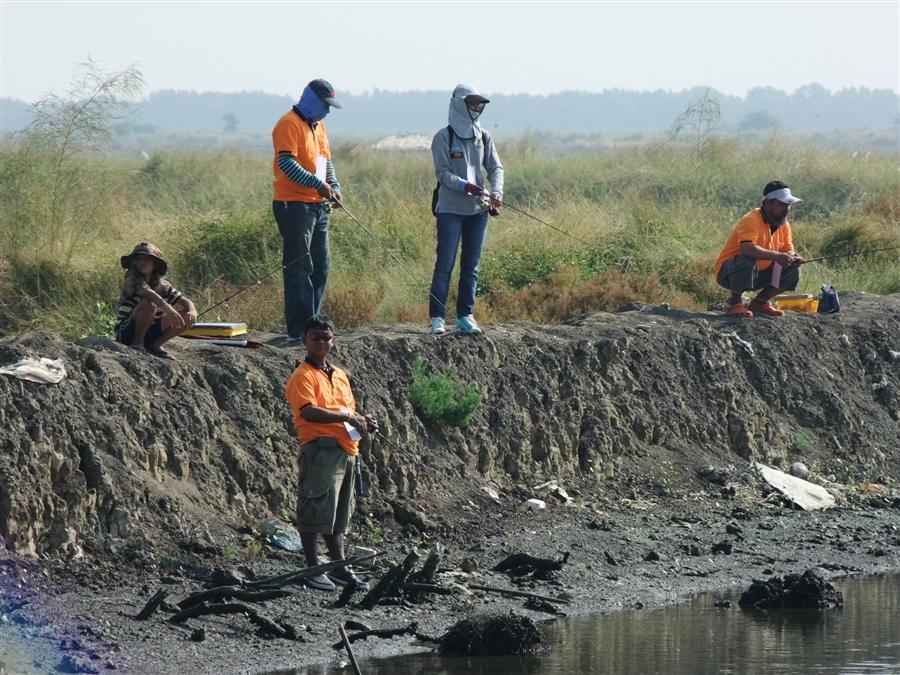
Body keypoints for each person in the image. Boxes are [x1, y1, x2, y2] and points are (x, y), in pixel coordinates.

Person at [284, 315, 379, 591]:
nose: (322, 342)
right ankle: (313, 567)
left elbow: (346, 410)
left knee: (337, 513)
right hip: (320, 448)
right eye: (315, 337)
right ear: (305, 340)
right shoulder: (302, 375)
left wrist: (363, 420)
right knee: (314, 506)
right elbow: (308, 411)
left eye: (326, 337)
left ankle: (339, 567)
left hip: (346, 448)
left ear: (333, 341)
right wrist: (349, 418)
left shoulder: (339, 374)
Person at [428, 84, 504, 335]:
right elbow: (443, 173)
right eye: (473, 104)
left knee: (471, 266)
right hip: (450, 210)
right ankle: (437, 318)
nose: (478, 108)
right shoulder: (443, 137)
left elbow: (495, 168)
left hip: (478, 211)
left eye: (480, 104)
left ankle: (465, 315)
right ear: (461, 104)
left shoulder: (484, 136)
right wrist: (464, 186)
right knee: (445, 265)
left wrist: (496, 193)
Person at [272, 79, 343, 342]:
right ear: (312, 99)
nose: (327, 110)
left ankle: (313, 325)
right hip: (294, 205)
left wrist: (333, 186)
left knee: (320, 266)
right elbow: (286, 163)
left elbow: (326, 162)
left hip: (318, 206)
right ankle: (299, 330)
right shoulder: (288, 124)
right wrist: (318, 185)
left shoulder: (320, 126)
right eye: (325, 104)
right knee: (299, 267)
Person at [714, 181, 806, 318]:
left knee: (792, 268)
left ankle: (760, 303)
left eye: (788, 205)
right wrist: (777, 256)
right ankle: (735, 303)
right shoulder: (751, 220)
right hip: (729, 272)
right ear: (768, 203)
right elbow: (746, 249)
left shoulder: (783, 223)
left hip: (758, 273)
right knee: (747, 260)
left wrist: (793, 257)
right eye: (782, 204)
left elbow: (787, 249)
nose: (786, 209)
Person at [115, 242, 196, 359]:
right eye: (139, 259)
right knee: (149, 303)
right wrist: (167, 308)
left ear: (155, 264)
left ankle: (155, 346)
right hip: (127, 332)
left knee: (186, 316)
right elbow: (147, 293)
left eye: (147, 260)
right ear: (134, 262)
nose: (143, 262)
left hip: (151, 331)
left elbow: (185, 301)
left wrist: (192, 310)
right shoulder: (131, 278)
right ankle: (137, 342)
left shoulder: (163, 285)